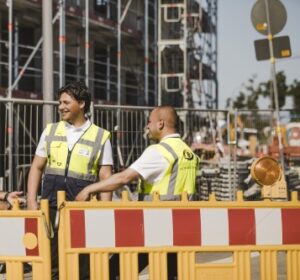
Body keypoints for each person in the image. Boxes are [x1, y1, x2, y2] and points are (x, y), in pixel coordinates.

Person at [76, 105, 199, 279]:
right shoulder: (187, 152)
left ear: (161, 124)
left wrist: (90, 188)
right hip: (181, 227)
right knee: (171, 274)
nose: (147, 126)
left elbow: (124, 178)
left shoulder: (159, 152)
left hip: (155, 226)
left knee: (113, 271)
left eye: (149, 122)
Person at [27, 81, 113, 280]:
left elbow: (105, 176)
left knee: (82, 264)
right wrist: (32, 201)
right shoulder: (50, 131)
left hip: (82, 210)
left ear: (81, 103)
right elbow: (37, 167)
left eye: (66, 102)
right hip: (51, 206)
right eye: (59, 103)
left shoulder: (101, 136)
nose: (61, 107)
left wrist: (105, 211)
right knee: (52, 262)